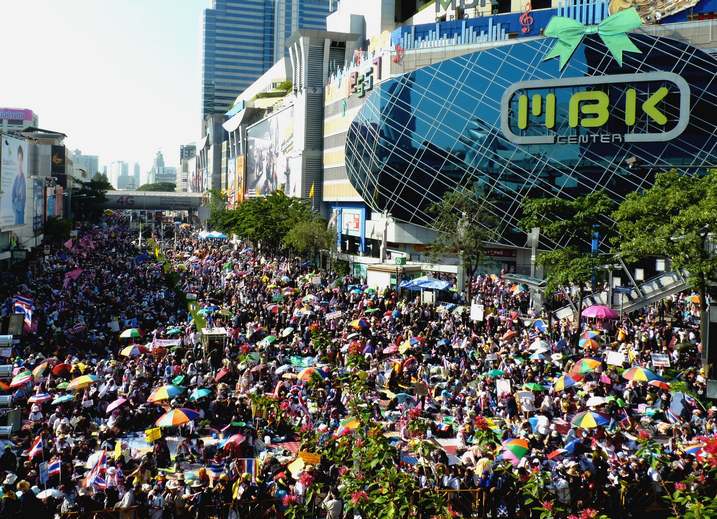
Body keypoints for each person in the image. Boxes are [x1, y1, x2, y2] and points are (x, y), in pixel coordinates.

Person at [11, 144, 26, 225]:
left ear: (23, 161)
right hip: (16, 218)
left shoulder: (23, 179)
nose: (19, 162)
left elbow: (22, 201)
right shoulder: (16, 179)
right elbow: (12, 198)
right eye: (18, 159)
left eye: (21, 159)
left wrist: (16, 201)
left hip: (20, 218)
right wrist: (16, 201)